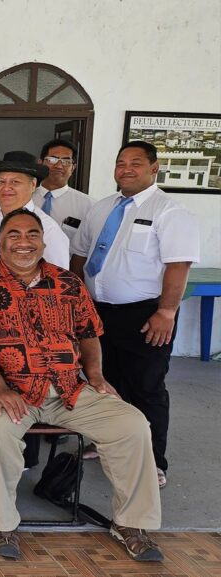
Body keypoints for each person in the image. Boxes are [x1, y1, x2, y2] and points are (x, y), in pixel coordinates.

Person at [0, 208, 164, 562]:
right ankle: (2, 525)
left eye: (32, 234)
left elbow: (89, 334)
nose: (23, 242)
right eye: (13, 235)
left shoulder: (67, 283)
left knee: (131, 424)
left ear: (43, 241)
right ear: (0, 243)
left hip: (69, 388)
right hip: (9, 390)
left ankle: (130, 523)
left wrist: (96, 376)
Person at [71, 141, 199, 490]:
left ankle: (153, 460)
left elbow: (178, 265)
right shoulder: (102, 208)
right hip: (98, 312)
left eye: (136, 163)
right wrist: (77, 304)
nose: (126, 169)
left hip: (144, 314)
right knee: (102, 380)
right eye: (120, 162)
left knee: (146, 386)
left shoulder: (169, 211)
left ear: (154, 168)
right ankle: (107, 442)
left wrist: (166, 312)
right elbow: (80, 255)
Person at [0, 151, 70, 281]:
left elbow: (58, 281)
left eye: (15, 182)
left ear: (33, 185)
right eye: (1, 182)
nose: (6, 188)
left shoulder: (48, 229)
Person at [33, 139, 92, 243]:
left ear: (73, 168)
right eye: (52, 160)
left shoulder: (88, 206)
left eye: (66, 162)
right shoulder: (24, 197)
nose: (59, 166)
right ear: (40, 163)